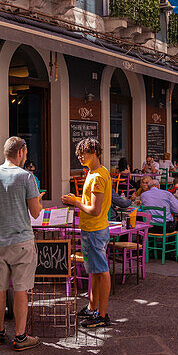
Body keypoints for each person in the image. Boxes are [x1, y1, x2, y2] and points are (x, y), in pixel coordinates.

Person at [0, 137, 42, 351]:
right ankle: (20, 336)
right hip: (21, 241)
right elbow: (35, 212)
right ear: (22, 152)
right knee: (20, 290)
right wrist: (39, 200)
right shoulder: (27, 177)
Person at [62, 137, 114, 328]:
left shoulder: (97, 176)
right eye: (78, 154)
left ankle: (102, 314)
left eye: (82, 153)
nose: (79, 157)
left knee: (101, 270)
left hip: (95, 229)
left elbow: (95, 209)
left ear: (94, 152)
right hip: (93, 229)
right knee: (95, 270)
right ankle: (93, 307)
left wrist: (75, 202)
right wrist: (76, 199)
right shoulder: (97, 172)